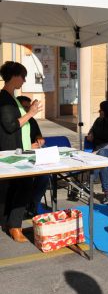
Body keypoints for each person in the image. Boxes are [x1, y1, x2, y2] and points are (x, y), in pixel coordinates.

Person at [0, 61, 42, 242]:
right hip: (12, 152)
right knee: (23, 187)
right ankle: (15, 226)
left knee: (12, 189)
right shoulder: (4, 99)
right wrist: (31, 112)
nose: (24, 80)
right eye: (23, 76)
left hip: (17, 151)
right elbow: (10, 126)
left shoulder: (11, 97)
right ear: (14, 76)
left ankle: (8, 223)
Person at [17, 95, 49, 215]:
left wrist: (39, 139)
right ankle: (25, 205)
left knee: (45, 176)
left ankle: (33, 204)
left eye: (28, 107)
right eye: (24, 107)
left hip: (32, 156)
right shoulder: (14, 122)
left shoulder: (32, 120)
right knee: (27, 179)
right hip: (18, 157)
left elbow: (38, 135)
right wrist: (28, 147)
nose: (27, 110)